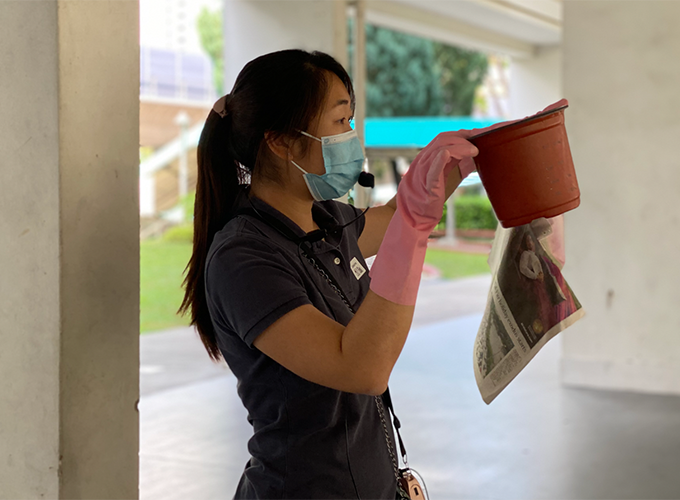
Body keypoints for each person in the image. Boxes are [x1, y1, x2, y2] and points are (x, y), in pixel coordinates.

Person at [180, 49, 559, 499]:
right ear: (280, 141)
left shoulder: (326, 221)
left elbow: (398, 216)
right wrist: (413, 229)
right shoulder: (243, 257)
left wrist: (464, 160)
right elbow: (361, 367)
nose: (351, 137)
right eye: (340, 121)